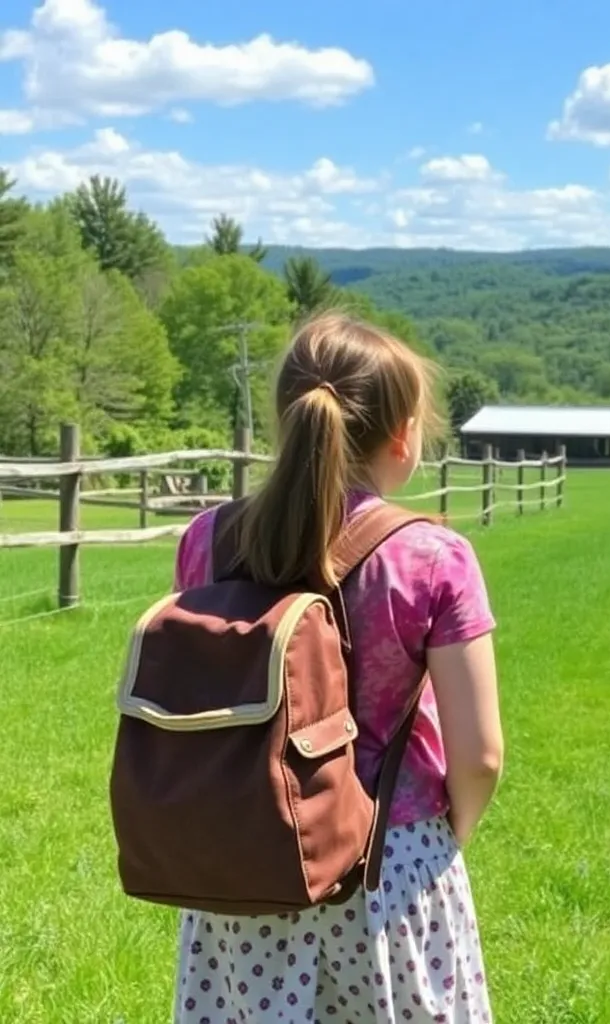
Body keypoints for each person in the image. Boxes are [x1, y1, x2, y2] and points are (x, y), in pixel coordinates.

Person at [170, 314, 504, 1024]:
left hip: (241, 863)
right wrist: (445, 838)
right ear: (403, 435)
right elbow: (479, 755)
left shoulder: (208, 539)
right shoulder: (433, 558)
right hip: (390, 866)